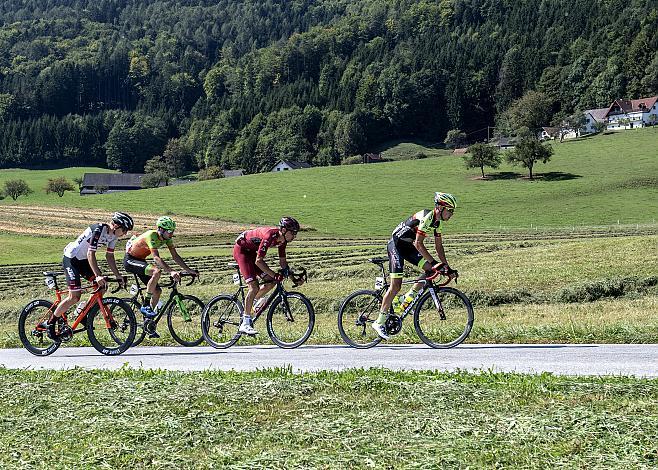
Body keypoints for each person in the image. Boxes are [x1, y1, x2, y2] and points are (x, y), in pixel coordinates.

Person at [372, 192, 458, 340]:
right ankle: (379, 322)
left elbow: (439, 247)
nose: (451, 214)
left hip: (408, 247)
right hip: (396, 246)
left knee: (430, 271)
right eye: (450, 210)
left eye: (452, 211)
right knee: (395, 286)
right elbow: (419, 243)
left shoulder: (437, 223)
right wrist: (434, 262)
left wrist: (447, 267)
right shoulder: (427, 217)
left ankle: (406, 299)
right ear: (440, 208)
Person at [41, 212, 134, 338]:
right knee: (74, 297)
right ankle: (50, 323)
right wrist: (97, 275)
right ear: (116, 226)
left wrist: (118, 275)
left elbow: (109, 256)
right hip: (72, 259)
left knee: (102, 287)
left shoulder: (113, 236)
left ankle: (83, 312)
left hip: (84, 261)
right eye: (125, 230)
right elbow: (91, 254)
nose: (125, 234)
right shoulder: (99, 229)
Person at [123, 216, 198, 337]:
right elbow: (156, 258)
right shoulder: (151, 235)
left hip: (141, 261)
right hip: (130, 260)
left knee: (157, 291)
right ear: (161, 229)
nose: (171, 234)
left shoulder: (166, 238)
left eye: (172, 232)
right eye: (169, 231)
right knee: (156, 272)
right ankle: (146, 304)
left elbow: (175, 256)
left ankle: (148, 322)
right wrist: (171, 271)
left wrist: (189, 270)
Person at [233, 217, 301, 335]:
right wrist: (275, 274)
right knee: (254, 287)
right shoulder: (269, 236)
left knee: (271, 281)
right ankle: (245, 323)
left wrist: (293, 278)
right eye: (293, 233)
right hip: (242, 251)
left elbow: (283, 263)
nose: (294, 236)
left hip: (251, 253)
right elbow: (259, 261)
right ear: (284, 230)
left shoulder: (282, 241)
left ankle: (251, 303)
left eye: (296, 233)